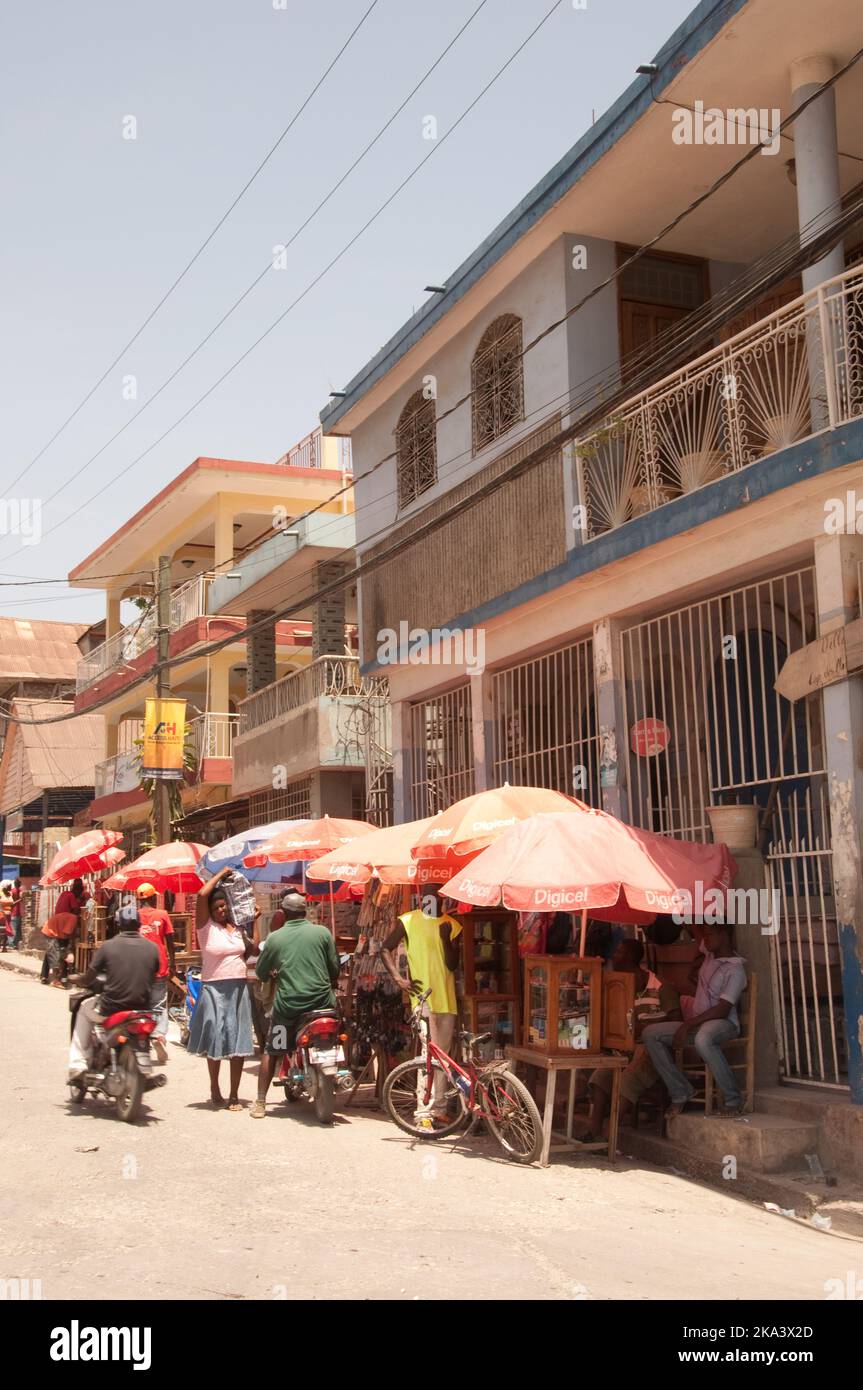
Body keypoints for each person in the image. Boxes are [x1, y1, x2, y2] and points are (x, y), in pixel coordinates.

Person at [642, 922, 748, 1118]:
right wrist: (686, 910)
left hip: (723, 1025)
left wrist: (689, 1024)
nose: (705, 940)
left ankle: (733, 1100)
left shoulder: (735, 969)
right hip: (698, 1024)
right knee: (650, 1034)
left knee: (703, 1038)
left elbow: (723, 1010)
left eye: (709, 935)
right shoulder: (708, 955)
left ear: (723, 935)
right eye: (705, 936)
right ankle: (681, 1091)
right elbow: (696, 930)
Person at [251, 893, 340, 1119]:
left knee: (272, 1050)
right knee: (338, 1034)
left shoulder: (275, 938)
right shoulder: (322, 932)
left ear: (283, 913)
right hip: (323, 1004)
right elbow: (334, 969)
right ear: (306, 911)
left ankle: (260, 1102)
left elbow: (261, 972)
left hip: (288, 1008)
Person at [583, 939, 682, 1140]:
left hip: (654, 1051)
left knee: (627, 1078)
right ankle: (593, 1132)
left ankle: (609, 1138)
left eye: (619, 952)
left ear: (629, 957)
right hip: (626, 1049)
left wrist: (647, 1028)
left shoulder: (661, 986)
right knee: (600, 1076)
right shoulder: (619, 987)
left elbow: (677, 1021)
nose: (614, 956)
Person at [381, 902, 462, 1130]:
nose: (430, 895)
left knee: (443, 1057)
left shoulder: (452, 924)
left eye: (434, 890)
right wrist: (399, 979)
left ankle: (440, 1109)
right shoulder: (407, 920)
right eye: (427, 890)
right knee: (429, 1054)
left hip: (446, 999)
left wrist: (445, 938)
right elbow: (385, 948)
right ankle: (423, 1112)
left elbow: (453, 964)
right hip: (423, 998)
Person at [67, 903, 160, 1083]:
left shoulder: (108, 946)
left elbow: (88, 978)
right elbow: (153, 974)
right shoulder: (152, 948)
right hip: (142, 1008)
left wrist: (75, 978)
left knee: (84, 1009)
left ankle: (77, 1064)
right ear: (139, 924)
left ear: (119, 924)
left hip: (112, 1008)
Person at [188, 866, 254, 1111]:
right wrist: (222, 874)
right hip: (214, 989)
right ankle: (215, 1088)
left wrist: (253, 924)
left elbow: (251, 952)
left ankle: (234, 1095)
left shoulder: (237, 929)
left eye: (224, 905)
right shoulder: (205, 929)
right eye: (217, 907)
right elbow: (202, 895)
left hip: (238, 988)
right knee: (216, 1040)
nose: (221, 910)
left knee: (239, 1042)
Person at [135, 883, 176, 1065]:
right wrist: (173, 963)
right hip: (160, 965)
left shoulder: (134, 916)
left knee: (142, 1003)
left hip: (139, 968)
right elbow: (171, 941)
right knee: (159, 1004)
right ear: (152, 898)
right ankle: (159, 1035)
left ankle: (143, 1035)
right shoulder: (163, 915)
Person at [41, 878, 88, 986]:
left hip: (56, 923)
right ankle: (59, 978)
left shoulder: (64, 893)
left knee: (51, 951)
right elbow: (76, 909)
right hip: (54, 928)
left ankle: (46, 976)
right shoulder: (73, 913)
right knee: (58, 952)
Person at [9, 878, 22, 949]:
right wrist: (19, 900)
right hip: (14, 913)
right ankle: (12, 944)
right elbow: (10, 904)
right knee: (15, 930)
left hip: (18, 913)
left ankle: (15, 944)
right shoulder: (13, 891)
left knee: (17, 930)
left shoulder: (20, 891)